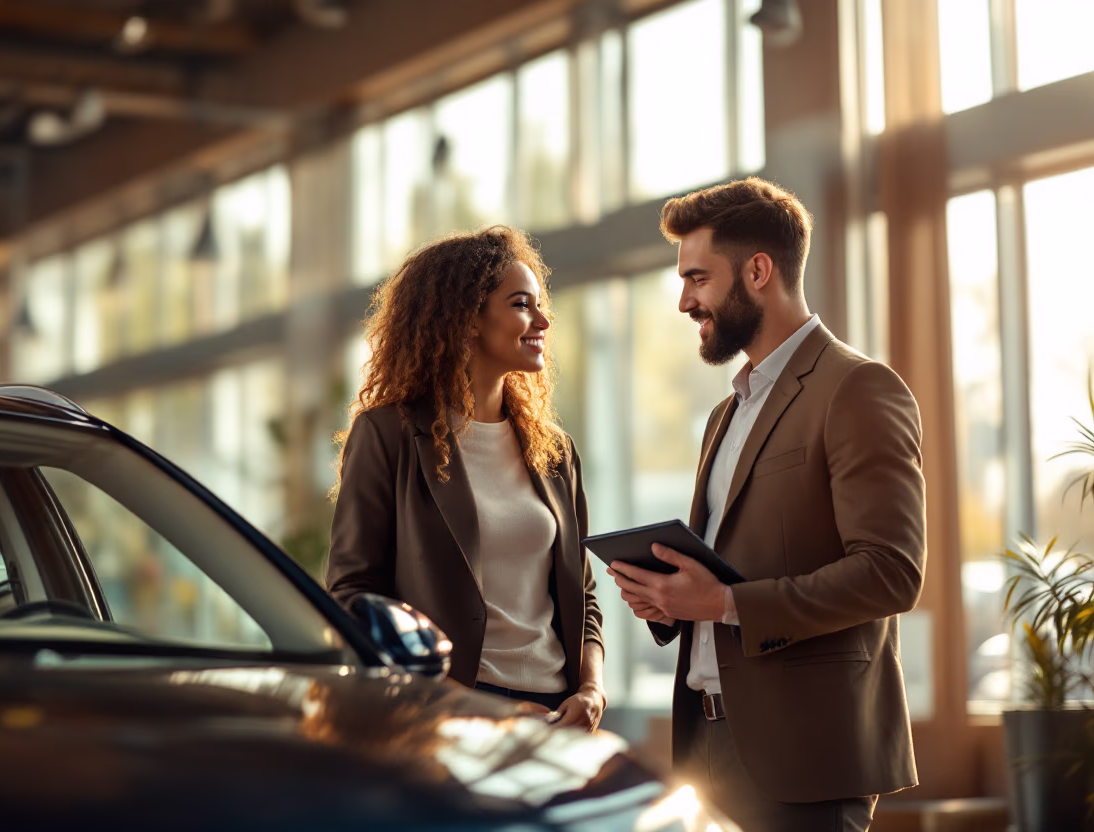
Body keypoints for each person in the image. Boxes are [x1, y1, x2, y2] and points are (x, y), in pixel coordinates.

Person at [608, 177, 925, 831]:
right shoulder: (727, 413)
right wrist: (668, 599)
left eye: (697, 278)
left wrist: (722, 603)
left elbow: (892, 572)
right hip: (708, 749)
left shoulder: (858, 388)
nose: (683, 301)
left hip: (805, 758)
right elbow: (735, 562)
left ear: (757, 271)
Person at [327, 226, 606, 730]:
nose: (543, 320)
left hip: (559, 715)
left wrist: (591, 689)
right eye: (522, 304)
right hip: (447, 716)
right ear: (468, 318)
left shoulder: (555, 452)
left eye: (540, 304)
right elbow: (353, 594)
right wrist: (451, 697)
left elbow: (583, 594)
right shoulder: (388, 435)